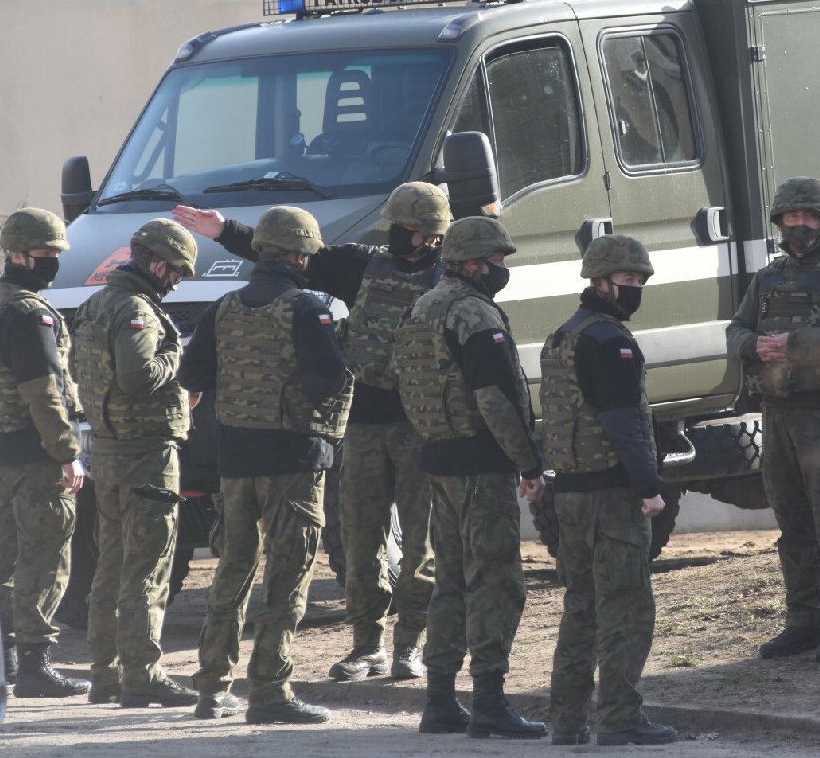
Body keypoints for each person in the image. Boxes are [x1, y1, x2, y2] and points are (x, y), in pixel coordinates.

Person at [173, 182, 447, 683]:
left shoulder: (446, 277)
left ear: (433, 235)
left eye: (412, 230)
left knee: (421, 546)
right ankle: (369, 644)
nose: (401, 237)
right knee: (360, 542)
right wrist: (226, 231)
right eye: (398, 227)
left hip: (418, 425)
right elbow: (291, 253)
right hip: (362, 425)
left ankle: (411, 642)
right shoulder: (363, 263)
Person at [179, 205, 353, 724]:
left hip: (235, 460)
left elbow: (192, 373)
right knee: (287, 575)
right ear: (300, 255)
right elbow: (329, 381)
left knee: (232, 571)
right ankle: (271, 692)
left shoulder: (224, 306)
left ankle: (212, 688)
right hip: (292, 461)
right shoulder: (305, 308)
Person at [393, 216, 547, 740]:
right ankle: (489, 703)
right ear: (476, 262)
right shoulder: (476, 315)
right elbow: (495, 399)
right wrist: (528, 462)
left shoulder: (421, 308)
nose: (504, 269)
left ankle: (439, 701)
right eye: (499, 261)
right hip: (482, 467)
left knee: (451, 582)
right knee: (494, 582)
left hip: (439, 462)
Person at [726, 177, 820, 661]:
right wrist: (755, 346)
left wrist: (793, 345)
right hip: (778, 417)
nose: (799, 225)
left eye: (808, 217)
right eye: (790, 217)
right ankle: (804, 621)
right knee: (792, 522)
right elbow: (737, 329)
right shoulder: (768, 279)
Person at [540, 234, 678, 747]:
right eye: (626, 280)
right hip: (609, 500)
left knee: (581, 608)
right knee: (625, 608)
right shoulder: (610, 342)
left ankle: (567, 721)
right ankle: (620, 719)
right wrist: (650, 487)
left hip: (570, 496)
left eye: (640, 281)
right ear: (598, 282)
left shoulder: (563, 337)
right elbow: (623, 425)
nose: (635, 288)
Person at [70, 218, 200, 709]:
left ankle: (105, 674)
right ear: (159, 263)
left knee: (111, 564)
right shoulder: (134, 309)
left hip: (108, 449)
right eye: (177, 273)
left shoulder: (96, 303)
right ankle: (141, 676)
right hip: (145, 453)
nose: (177, 282)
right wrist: (178, 358)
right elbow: (139, 376)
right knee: (147, 567)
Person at [0, 207, 91, 698]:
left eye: (57, 254)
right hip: (39, 454)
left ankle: (3, 661)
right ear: (17, 255)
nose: (52, 262)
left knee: (5, 557)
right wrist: (67, 452)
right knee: (45, 556)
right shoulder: (30, 313)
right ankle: (37, 666)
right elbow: (43, 391)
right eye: (45, 255)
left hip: (6, 453)